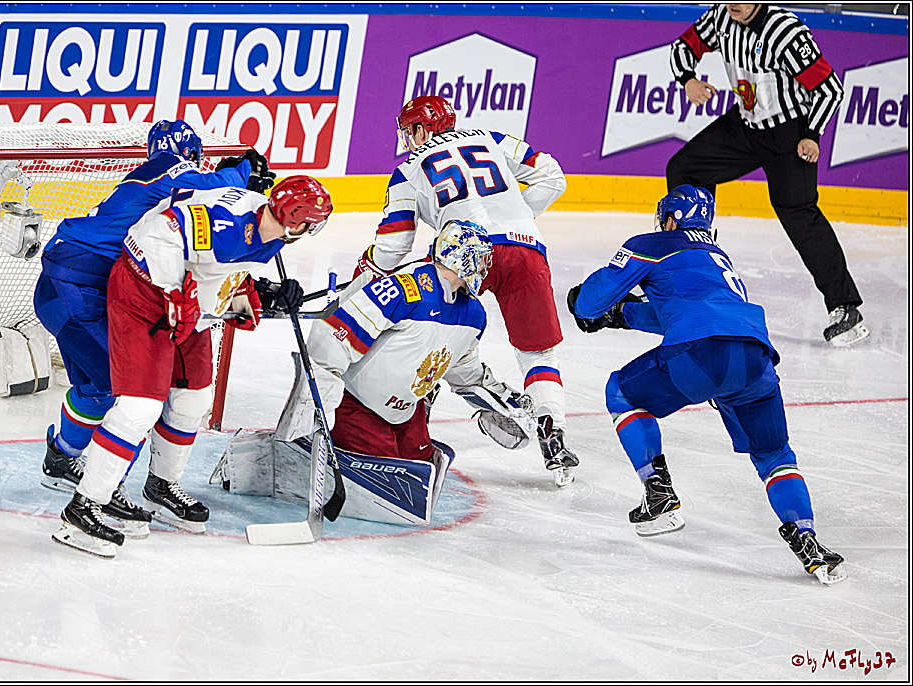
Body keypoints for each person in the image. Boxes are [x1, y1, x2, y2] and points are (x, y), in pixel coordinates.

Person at [567, 184, 846, 584]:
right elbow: (682, 309)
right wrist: (624, 316)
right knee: (775, 456)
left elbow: (590, 303)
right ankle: (808, 541)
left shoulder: (652, 243)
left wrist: (588, 304)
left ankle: (658, 494)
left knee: (621, 392)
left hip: (700, 354)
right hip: (755, 357)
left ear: (670, 217)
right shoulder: (717, 256)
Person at [52, 175, 332, 558]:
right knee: (139, 409)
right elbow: (165, 229)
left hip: (187, 304)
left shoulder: (264, 225)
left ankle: (160, 487)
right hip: (144, 297)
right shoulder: (228, 222)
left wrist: (253, 294)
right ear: (297, 220)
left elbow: (224, 264)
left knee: (193, 399)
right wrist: (173, 292)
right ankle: (82, 508)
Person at [34, 119, 274, 536]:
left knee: (99, 385)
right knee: (132, 389)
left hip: (70, 283)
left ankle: (61, 456)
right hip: (79, 284)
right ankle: (102, 492)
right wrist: (242, 171)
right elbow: (207, 185)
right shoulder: (173, 170)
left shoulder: (159, 183)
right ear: (191, 153)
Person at [213, 220, 536, 526]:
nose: (485, 267)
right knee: (390, 490)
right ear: (458, 255)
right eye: (479, 258)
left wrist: (498, 400)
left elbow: (464, 369)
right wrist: (320, 394)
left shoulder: (474, 313)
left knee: (418, 474)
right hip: (356, 405)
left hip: (406, 412)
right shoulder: (404, 288)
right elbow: (334, 334)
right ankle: (262, 455)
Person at [354, 95, 577, 486]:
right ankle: (553, 431)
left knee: (428, 329)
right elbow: (552, 175)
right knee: (537, 351)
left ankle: (426, 418)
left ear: (423, 129)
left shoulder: (408, 169)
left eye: (410, 130)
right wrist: (516, 216)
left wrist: (363, 279)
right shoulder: (491, 138)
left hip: (460, 256)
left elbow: (394, 244)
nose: (407, 139)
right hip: (525, 248)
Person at [667, 3, 867, 347]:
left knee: (797, 212)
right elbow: (683, 46)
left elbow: (830, 88)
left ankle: (845, 306)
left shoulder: (784, 30)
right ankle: (694, 273)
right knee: (685, 169)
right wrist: (688, 79)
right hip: (745, 126)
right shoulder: (721, 16)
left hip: (789, 135)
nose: (734, 4)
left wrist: (812, 134)